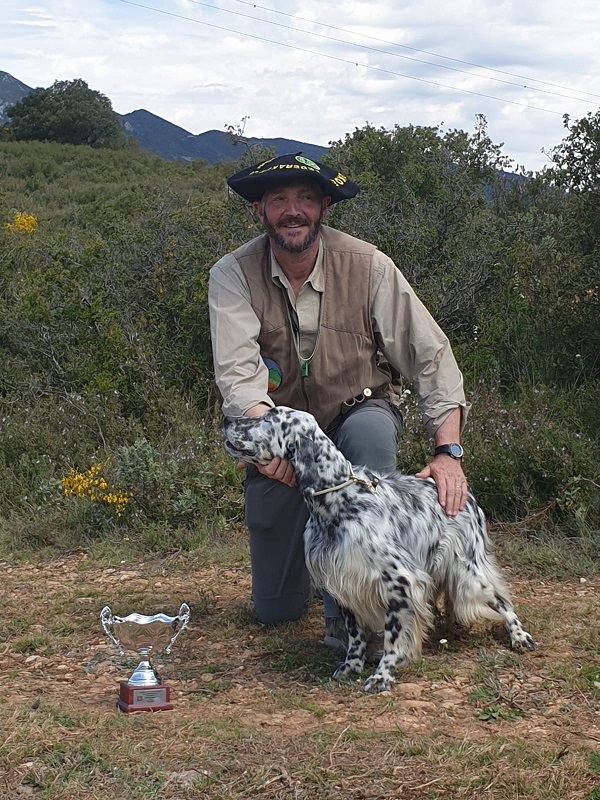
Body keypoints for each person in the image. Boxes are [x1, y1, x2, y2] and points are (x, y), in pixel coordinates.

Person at [209, 153, 469, 649]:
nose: (293, 210)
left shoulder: (369, 265)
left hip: (359, 411)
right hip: (282, 439)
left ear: (325, 206)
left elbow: (429, 355)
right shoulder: (231, 275)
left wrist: (447, 452)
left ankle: (366, 611)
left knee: (369, 433)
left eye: (305, 197)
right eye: (278, 199)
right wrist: (275, 455)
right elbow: (240, 381)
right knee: (276, 611)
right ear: (258, 212)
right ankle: (326, 573)